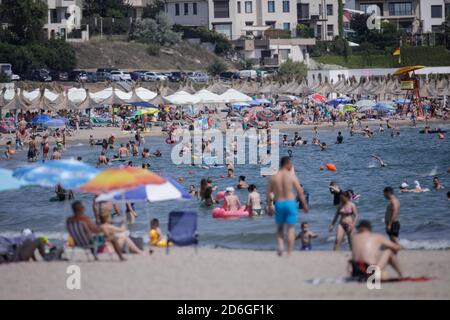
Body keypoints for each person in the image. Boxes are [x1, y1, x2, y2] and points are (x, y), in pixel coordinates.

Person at [266, 156, 309, 256]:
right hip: (290, 203)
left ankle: (281, 246)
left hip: (279, 203)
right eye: (290, 164)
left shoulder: (274, 177)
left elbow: (268, 193)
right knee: (290, 228)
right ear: (287, 164)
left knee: (280, 228)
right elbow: (300, 191)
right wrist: (305, 205)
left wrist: (269, 207)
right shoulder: (291, 176)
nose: (291, 165)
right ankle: (289, 252)